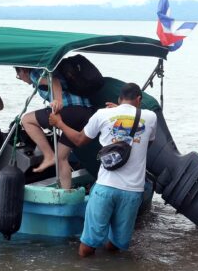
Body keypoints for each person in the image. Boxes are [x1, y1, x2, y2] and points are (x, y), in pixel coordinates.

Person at [49, 83, 157, 257]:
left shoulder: (102, 114)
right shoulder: (151, 117)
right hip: (133, 192)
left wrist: (60, 123)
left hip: (106, 187)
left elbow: (78, 140)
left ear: (119, 99)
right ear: (139, 100)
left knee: (87, 246)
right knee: (116, 245)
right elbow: (148, 143)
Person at [14, 66, 95, 189]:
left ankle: (48, 155)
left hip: (71, 110)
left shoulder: (34, 73)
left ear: (23, 70)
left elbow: (54, 81)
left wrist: (57, 100)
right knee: (61, 158)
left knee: (27, 120)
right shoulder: (50, 69)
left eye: (18, 75)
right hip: (86, 112)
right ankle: (66, 192)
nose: (21, 78)